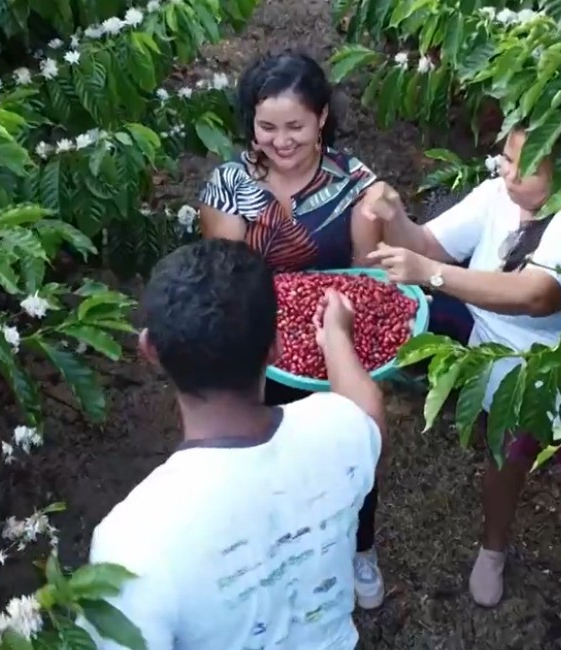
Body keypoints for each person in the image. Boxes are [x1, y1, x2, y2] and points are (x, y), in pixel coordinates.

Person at [363, 125, 561, 607]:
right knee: (503, 461)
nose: (507, 174)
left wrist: (431, 275)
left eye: (525, 166)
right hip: (504, 368)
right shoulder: (496, 196)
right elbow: (429, 244)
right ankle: (492, 549)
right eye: (506, 159)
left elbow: (539, 295)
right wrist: (395, 217)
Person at [82, 239, 387, 649]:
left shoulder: (131, 544)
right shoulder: (340, 433)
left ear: (149, 350)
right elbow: (367, 408)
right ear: (275, 348)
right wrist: (335, 336)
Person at [198, 50, 398, 609]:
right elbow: (226, 277)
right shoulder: (231, 184)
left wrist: (336, 319)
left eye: (295, 127)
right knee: (266, 457)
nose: (280, 141)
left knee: (351, 446)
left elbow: (366, 277)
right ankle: (278, 552)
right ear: (250, 123)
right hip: (261, 346)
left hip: (337, 337)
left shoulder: (354, 182)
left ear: (322, 120)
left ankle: (360, 545)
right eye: (267, 127)